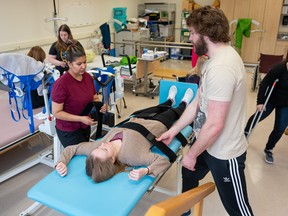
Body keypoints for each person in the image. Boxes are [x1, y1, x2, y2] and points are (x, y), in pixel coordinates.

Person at [156, 6, 254, 216]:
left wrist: (191, 153)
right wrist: (174, 130)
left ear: (206, 34)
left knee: (239, 211)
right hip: (207, 144)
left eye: (192, 33)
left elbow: (215, 124)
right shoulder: (213, 61)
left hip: (225, 153)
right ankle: (186, 211)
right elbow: (197, 103)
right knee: (188, 172)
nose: (190, 38)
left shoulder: (222, 68)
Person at [55, 86, 194, 183]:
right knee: (173, 113)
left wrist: (62, 162)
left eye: (99, 147)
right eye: (104, 149)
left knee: (158, 107)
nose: (102, 144)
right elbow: (162, 161)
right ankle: (183, 103)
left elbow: (72, 148)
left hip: (136, 119)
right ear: (112, 160)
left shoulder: (95, 150)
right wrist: (146, 171)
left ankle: (170, 100)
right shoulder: (132, 157)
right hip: (157, 125)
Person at [52, 41, 106, 147]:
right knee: (81, 159)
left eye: (84, 62)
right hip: (68, 130)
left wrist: (100, 106)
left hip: (84, 125)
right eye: (79, 64)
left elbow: (94, 97)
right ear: (69, 64)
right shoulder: (61, 84)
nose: (83, 66)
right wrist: (80, 119)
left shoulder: (87, 78)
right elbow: (57, 112)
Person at [244, 60, 288, 164]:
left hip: (286, 104)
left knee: (280, 128)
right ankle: (245, 133)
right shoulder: (279, 68)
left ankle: (269, 149)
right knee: (259, 116)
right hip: (271, 99)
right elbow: (264, 84)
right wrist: (260, 102)